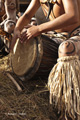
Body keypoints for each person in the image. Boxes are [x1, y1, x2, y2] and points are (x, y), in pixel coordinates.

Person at [10, 0, 80, 119]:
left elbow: (73, 15)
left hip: (77, 33)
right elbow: (26, 15)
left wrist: (39, 29)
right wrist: (17, 29)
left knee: (66, 49)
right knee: (26, 35)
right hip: (57, 35)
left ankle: (70, 111)